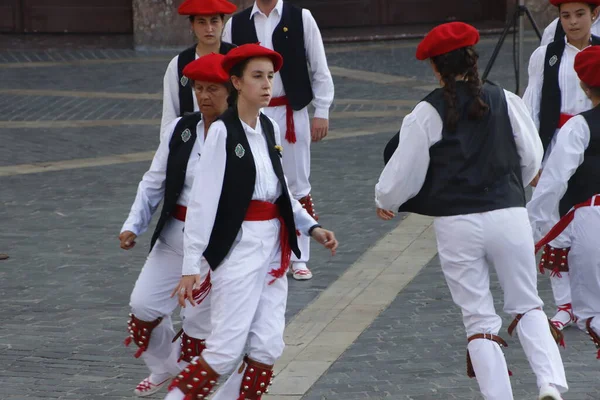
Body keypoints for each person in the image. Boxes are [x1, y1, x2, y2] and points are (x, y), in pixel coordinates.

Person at [376, 22, 567, 400]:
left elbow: (403, 171)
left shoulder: (425, 112)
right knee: (527, 302)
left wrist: (387, 201)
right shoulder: (505, 99)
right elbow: (531, 158)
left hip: (457, 223)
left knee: (478, 318)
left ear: (435, 68)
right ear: (473, 59)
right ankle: (548, 383)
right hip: (508, 214)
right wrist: (514, 183)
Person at [164, 43, 338, 400]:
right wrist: (191, 264)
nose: (267, 84)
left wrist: (311, 227)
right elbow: (202, 202)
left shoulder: (270, 127)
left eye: (270, 77)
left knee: (267, 348)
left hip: (274, 250)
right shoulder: (223, 134)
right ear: (237, 83)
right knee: (225, 349)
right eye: (257, 76)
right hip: (239, 249)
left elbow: (280, 190)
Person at [119, 53, 231, 397]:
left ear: (232, 90)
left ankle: (188, 385)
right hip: (172, 238)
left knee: (198, 325)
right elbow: (153, 181)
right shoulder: (180, 130)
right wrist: (133, 224)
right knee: (143, 307)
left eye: (213, 88)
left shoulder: (242, 136)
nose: (205, 95)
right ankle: (164, 368)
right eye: (199, 88)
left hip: (212, 247)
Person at [222, 0, 335, 280]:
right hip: (251, 114)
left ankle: (300, 256)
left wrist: (321, 110)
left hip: (291, 113)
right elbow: (226, 73)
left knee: (297, 183)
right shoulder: (235, 24)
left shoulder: (301, 18)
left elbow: (319, 67)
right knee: (258, 181)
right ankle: (266, 252)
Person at [523, 0, 600, 331]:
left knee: (589, 221)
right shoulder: (547, 56)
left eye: (580, 14)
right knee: (554, 221)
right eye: (565, 16)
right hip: (559, 144)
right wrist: (532, 160)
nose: (572, 22)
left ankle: (590, 298)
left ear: (593, 15)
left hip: (594, 145)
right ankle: (565, 303)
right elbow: (531, 106)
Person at [160, 0, 237, 136]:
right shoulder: (179, 64)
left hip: (232, 138)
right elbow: (170, 113)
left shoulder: (237, 58)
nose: (209, 29)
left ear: (222, 22)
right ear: (192, 25)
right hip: (192, 140)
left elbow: (251, 102)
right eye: (202, 22)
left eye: (214, 21)